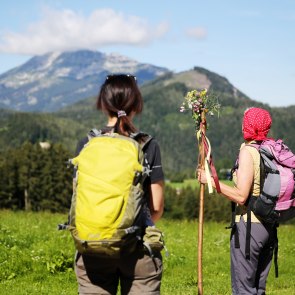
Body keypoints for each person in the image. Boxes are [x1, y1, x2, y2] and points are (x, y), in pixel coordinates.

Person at [74, 74, 165, 295]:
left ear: (103, 104)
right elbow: (156, 208)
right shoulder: (146, 145)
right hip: (137, 249)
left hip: (91, 246)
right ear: (136, 103)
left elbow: (80, 198)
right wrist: (127, 229)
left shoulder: (86, 144)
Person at [198, 107, 276, 295]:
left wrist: (211, 181)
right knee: (258, 289)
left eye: (244, 121)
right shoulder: (270, 150)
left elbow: (241, 196)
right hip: (269, 228)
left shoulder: (248, 152)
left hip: (250, 230)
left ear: (248, 126)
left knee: (243, 290)